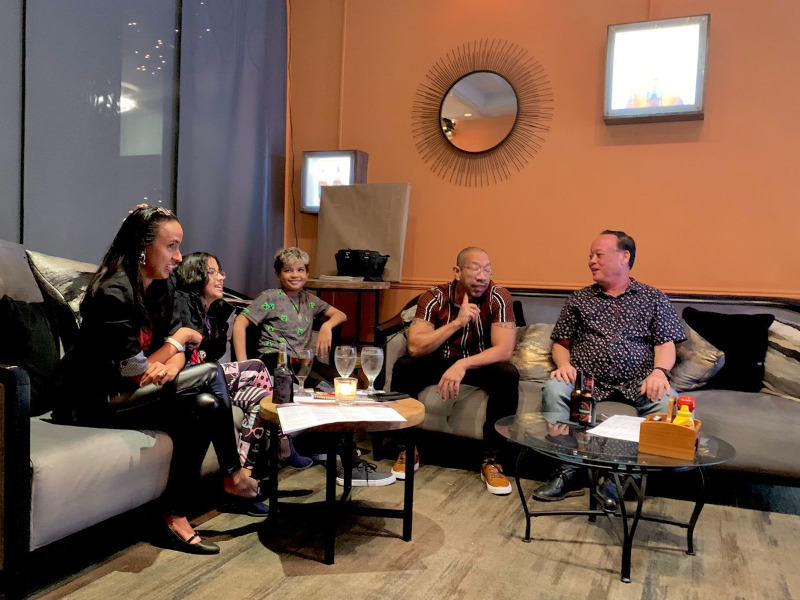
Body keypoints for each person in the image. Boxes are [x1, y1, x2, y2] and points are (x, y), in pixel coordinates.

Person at [54, 206, 262, 555]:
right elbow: (134, 370)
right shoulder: (113, 292)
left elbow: (180, 344)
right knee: (211, 372)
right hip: (95, 399)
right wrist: (176, 344)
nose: (179, 257)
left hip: (134, 388)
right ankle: (234, 474)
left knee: (205, 406)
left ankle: (174, 516)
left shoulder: (161, 285)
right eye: (171, 246)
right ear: (142, 247)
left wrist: (173, 357)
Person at [532, 230, 685, 508]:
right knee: (554, 388)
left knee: (668, 405)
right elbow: (561, 343)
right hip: (585, 380)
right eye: (590, 255)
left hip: (639, 381)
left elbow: (666, 344)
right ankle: (569, 470)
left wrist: (659, 372)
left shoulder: (653, 298)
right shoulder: (579, 299)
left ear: (624, 257)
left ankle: (622, 480)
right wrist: (563, 364)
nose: (591, 261)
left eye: (598, 255)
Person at [232, 247, 396, 487]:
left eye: (300, 270)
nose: (295, 275)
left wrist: (327, 326)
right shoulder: (270, 297)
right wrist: (244, 365)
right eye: (288, 270)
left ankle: (324, 447)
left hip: (302, 364)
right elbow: (240, 323)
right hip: (275, 360)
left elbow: (340, 314)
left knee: (338, 388)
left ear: (307, 273)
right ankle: (350, 466)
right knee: (330, 392)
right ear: (278, 274)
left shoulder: (309, 300)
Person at [174, 253, 313, 490]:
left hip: (210, 381)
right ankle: (283, 440)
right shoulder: (182, 307)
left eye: (220, 272)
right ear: (194, 277)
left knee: (260, 398)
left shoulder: (215, 314)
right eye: (212, 273)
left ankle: (243, 476)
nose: (221, 277)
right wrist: (242, 367)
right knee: (257, 367)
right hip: (188, 381)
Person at [391, 247, 519, 495]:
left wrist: (462, 365)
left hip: (479, 364)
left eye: (487, 270)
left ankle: (492, 460)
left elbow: (504, 350)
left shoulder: (499, 297)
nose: (482, 276)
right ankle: (407, 447)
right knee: (405, 366)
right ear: (457, 272)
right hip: (438, 360)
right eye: (475, 269)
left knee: (507, 374)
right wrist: (457, 323)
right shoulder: (434, 297)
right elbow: (415, 347)